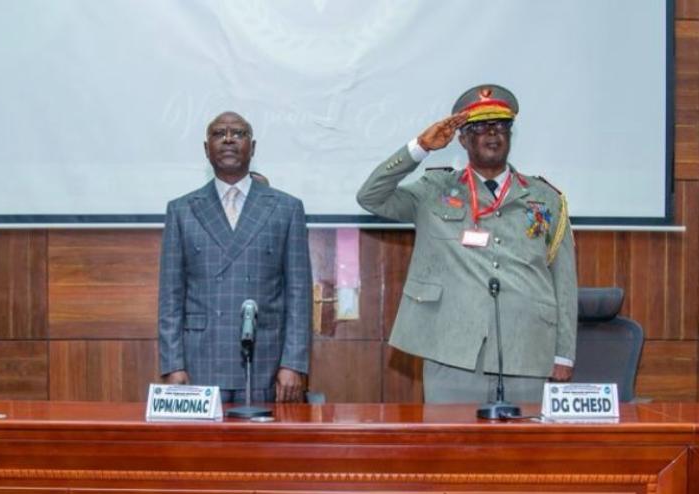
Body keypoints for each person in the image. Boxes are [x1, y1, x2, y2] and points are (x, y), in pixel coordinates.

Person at [357, 85, 577, 403]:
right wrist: (420, 148)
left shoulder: (545, 199)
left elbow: (564, 282)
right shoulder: (435, 190)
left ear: (510, 135)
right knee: (451, 451)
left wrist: (564, 355)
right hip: (452, 352)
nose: (492, 133)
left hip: (527, 352)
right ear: (462, 139)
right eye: (479, 127)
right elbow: (370, 196)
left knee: (523, 453)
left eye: (500, 126)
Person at [158, 111, 312, 403]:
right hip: (199, 362)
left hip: (266, 361)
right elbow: (170, 297)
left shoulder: (286, 208)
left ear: (252, 147)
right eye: (218, 133)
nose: (228, 139)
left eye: (238, 133)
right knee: (202, 450)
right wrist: (172, 364)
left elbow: (299, 294)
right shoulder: (181, 210)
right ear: (206, 149)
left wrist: (293, 363)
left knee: (266, 449)